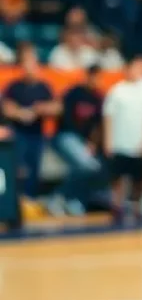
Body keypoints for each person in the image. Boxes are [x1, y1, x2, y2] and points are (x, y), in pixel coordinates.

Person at [103, 56, 142, 218]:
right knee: (118, 177)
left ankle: (138, 207)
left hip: (138, 141)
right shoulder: (117, 90)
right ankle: (116, 206)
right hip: (120, 141)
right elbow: (108, 116)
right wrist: (109, 141)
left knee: (139, 179)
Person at [1, 44, 60, 203]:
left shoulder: (43, 87)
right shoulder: (14, 87)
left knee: (34, 168)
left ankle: (31, 199)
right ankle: (17, 201)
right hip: (18, 133)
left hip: (36, 133)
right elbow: (6, 107)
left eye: (32, 63)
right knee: (19, 167)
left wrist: (40, 109)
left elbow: (57, 107)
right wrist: (21, 114)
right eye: (26, 64)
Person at [51, 64, 105, 215]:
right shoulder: (74, 93)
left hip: (84, 142)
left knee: (92, 167)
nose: (96, 80)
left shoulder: (98, 98)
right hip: (66, 136)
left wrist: (93, 143)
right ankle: (60, 197)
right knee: (87, 165)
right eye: (94, 76)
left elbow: (97, 125)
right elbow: (66, 119)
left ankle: (71, 198)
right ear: (87, 76)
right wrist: (83, 142)